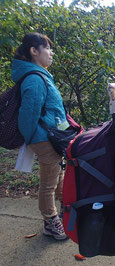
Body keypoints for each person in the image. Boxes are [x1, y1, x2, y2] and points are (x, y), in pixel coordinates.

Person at [12, 33, 68, 240]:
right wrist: (32, 137)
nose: (51, 53)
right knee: (49, 182)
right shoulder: (35, 78)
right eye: (47, 48)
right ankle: (50, 222)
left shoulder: (40, 75)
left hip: (52, 136)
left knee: (58, 175)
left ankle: (65, 213)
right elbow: (28, 114)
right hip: (45, 138)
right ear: (34, 51)